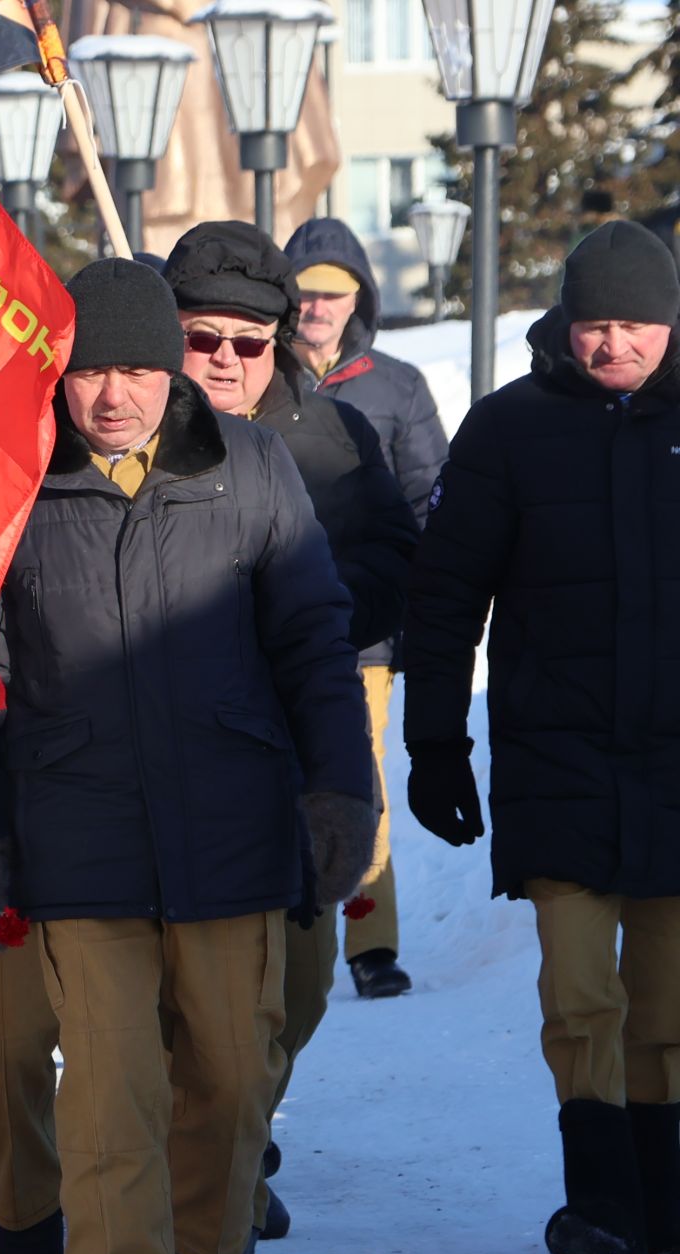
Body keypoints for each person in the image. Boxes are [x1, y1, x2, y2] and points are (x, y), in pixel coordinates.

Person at [0, 259, 374, 1254]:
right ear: (58, 378)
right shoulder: (10, 482)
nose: (111, 393)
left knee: (230, 1069)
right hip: (77, 833)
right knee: (111, 1086)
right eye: (88, 372)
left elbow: (314, 645)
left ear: (170, 368)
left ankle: (207, 1250)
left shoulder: (253, 468)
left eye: (133, 366)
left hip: (232, 825)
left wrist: (341, 792)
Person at [402, 220, 680, 1254]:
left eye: (636, 326)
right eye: (595, 325)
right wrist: (434, 742)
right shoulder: (508, 430)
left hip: (675, 765)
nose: (613, 346)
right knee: (581, 991)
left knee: (668, 997)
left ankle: (664, 1202)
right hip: (557, 756)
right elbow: (443, 597)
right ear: (564, 325)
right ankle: (604, 1202)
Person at [163, 221, 419, 1250]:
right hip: (173, 750)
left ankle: (242, 1124)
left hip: (295, 741)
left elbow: (397, 558)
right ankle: (205, 1171)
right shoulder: (125, 427)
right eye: (200, 338)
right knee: (192, 999)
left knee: (300, 988)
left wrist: (312, 618)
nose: (224, 361)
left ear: (278, 339)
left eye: (246, 341)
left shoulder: (331, 438)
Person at [285, 215, 450, 999]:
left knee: (361, 775)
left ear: (359, 301)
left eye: (332, 295)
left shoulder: (396, 386)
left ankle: (369, 935)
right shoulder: (253, 374)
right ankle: (285, 914)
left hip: (363, 634)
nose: (315, 308)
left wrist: (413, 607)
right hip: (269, 620)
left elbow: (427, 500)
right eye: (303, 293)